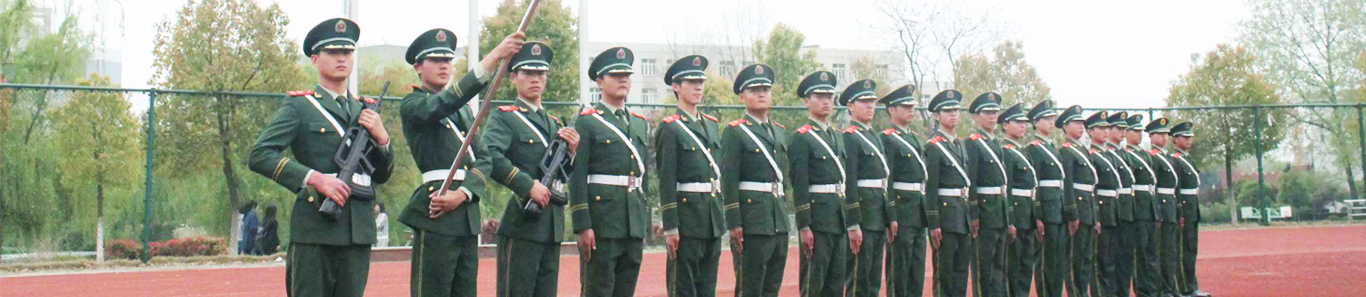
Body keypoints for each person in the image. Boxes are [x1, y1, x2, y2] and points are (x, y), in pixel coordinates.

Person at [248, 17, 393, 297]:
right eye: (332, 52)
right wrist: (313, 178)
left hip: (357, 231)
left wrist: (383, 138)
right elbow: (260, 154)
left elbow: (383, 174)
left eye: (347, 52)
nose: (342, 58)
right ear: (315, 59)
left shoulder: (365, 111)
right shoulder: (300, 106)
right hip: (316, 228)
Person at [396, 27, 523, 297]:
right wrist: (495, 56)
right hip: (436, 210)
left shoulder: (464, 113)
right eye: (435, 60)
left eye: (448, 60)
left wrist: (464, 193)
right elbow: (443, 103)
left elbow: (484, 159)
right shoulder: (413, 104)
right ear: (418, 67)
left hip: (465, 213)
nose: (444, 65)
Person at [484, 41, 579, 297]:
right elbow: (490, 156)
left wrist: (572, 152)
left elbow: (565, 175)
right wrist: (527, 185)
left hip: (552, 225)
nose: (536, 79)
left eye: (541, 73)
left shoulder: (555, 123)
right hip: (522, 224)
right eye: (528, 73)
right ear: (514, 77)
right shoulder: (505, 116)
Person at [573, 46, 651, 297]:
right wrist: (582, 225)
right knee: (598, 290)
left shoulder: (639, 123)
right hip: (602, 223)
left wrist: (643, 223)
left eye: (626, 76)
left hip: (632, 223)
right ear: (599, 81)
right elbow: (577, 176)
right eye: (615, 76)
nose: (622, 81)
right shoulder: (587, 121)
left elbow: (642, 178)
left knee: (625, 291)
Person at [655, 54, 726, 297]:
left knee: (708, 289)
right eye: (691, 82)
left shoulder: (712, 124)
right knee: (683, 288)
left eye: (700, 82)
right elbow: (666, 179)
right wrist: (671, 227)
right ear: (676, 87)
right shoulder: (670, 127)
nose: (698, 87)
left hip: (711, 219)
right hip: (687, 220)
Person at [720, 63, 789, 297]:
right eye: (754, 90)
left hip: (777, 220)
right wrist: (734, 222)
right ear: (742, 96)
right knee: (749, 288)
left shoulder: (779, 131)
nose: (761, 94)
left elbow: (784, 178)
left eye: (766, 89)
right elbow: (729, 179)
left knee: (772, 287)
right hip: (752, 222)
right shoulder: (735, 132)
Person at [788, 70, 851, 297]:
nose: (826, 101)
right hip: (818, 219)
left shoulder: (837, 136)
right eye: (819, 96)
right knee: (814, 284)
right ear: (807, 101)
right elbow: (799, 183)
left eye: (830, 97)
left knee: (836, 285)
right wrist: (804, 225)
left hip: (838, 218)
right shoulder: (801, 137)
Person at [879, 84, 929, 297]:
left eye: (912, 106)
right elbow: (887, 179)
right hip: (901, 208)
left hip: (918, 210)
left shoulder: (914, 138)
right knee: (899, 269)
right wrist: (891, 215)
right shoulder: (888, 139)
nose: (911, 110)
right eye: (905, 106)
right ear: (891, 109)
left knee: (917, 270)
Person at [923, 90, 971, 297]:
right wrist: (933, 222)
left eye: (956, 110)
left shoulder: (960, 144)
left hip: (962, 215)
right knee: (945, 274)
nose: (953, 114)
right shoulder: (933, 146)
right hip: (945, 216)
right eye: (948, 110)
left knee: (961, 273)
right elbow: (930, 187)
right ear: (937, 115)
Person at [964, 92, 1011, 297]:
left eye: (995, 112)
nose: (992, 116)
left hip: (999, 210)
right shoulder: (973, 143)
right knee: (984, 266)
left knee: (999, 266)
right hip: (984, 211)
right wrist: (973, 213)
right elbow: (971, 182)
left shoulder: (995, 143)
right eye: (987, 112)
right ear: (976, 117)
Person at [1026, 100, 1071, 297]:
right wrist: (1038, 214)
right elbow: (1034, 184)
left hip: (1058, 208)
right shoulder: (1034, 148)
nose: (1051, 122)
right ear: (1035, 122)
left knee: (1059, 260)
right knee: (1046, 261)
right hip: (1046, 209)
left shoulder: (1052, 147)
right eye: (1046, 118)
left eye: (1052, 118)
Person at [1056, 105, 1098, 297]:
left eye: (1082, 123)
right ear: (1065, 126)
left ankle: (1083, 292)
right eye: (1076, 123)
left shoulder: (1083, 150)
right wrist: (1072, 213)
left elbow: (1091, 186)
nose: (1081, 126)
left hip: (1089, 208)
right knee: (1075, 258)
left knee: (1087, 258)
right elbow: (1068, 184)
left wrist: (1095, 215)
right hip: (1078, 210)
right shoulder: (1066, 151)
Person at [999, 103, 1039, 297]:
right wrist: (1011, 220)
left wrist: (1036, 216)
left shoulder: (1023, 152)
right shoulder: (1005, 152)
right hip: (1016, 213)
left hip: (1028, 214)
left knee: (1026, 265)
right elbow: (1007, 189)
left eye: (1024, 122)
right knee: (1013, 267)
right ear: (1005, 125)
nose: (1023, 126)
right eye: (1018, 122)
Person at [1123, 114, 1163, 297]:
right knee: (1140, 255)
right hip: (1138, 207)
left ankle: (1153, 290)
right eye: (1135, 131)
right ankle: (1143, 291)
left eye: (1140, 131)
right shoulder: (1127, 155)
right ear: (1126, 132)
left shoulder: (1144, 155)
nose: (1139, 135)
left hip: (1150, 206)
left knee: (1152, 253)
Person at [1170, 122, 1210, 297]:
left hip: (1192, 205)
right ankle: (1185, 287)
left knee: (1191, 249)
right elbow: (1175, 187)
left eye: (1190, 137)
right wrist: (1179, 209)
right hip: (1184, 206)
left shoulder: (1187, 158)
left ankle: (1192, 285)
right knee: (1182, 250)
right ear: (1176, 139)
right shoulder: (1175, 160)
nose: (1189, 140)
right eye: (1185, 137)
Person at [1145, 118, 1182, 297]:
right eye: (1160, 134)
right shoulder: (1152, 157)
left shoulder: (1167, 157)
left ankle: (1170, 287)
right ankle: (1163, 289)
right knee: (1161, 250)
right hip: (1161, 203)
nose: (1164, 137)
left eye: (1166, 134)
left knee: (1171, 250)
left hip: (1171, 204)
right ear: (1151, 136)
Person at [1101, 111, 1136, 297]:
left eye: (1125, 128)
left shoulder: (1122, 152)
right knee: (1111, 257)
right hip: (1115, 208)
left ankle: (1123, 292)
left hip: (1127, 209)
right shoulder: (1108, 153)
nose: (1123, 132)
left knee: (1126, 258)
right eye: (1119, 128)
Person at [1087, 111, 1121, 297]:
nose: (1105, 131)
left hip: (1113, 210)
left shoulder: (1109, 155)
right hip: (1102, 209)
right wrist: (1096, 215)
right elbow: (1093, 187)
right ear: (1090, 131)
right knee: (1102, 259)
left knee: (1112, 258)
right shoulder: (1091, 155)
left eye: (1107, 127)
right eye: (1100, 128)